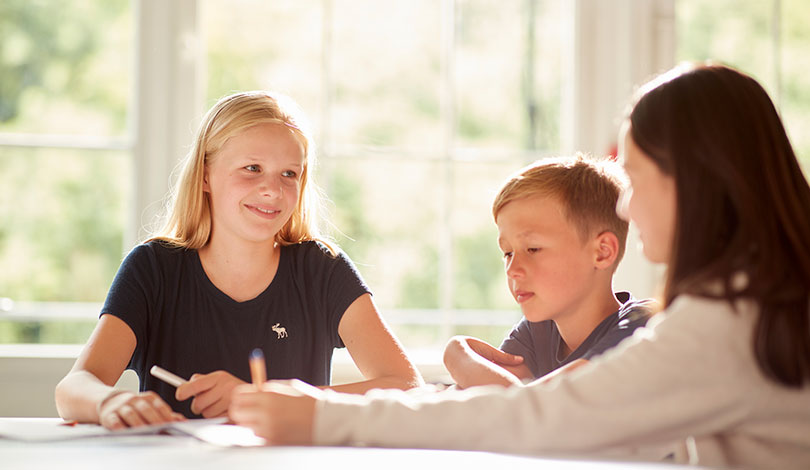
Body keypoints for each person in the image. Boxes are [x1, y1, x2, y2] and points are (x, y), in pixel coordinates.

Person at [228, 64, 810, 469]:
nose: (628, 204)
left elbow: (542, 416)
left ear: (694, 179)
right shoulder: (757, 303)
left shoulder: (730, 321)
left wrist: (324, 418)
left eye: (634, 179)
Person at [54, 91, 423, 429]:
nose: (272, 189)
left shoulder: (322, 270)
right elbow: (74, 387)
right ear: (205, 175)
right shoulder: (152, 269)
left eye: (289, 174)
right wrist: (108, 402)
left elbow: (407, 387)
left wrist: (272, 401)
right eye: (252, 169)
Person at [443, 156, 653, 389]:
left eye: (533, 249)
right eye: (508, 253)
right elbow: (490, 399)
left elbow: (523, 406)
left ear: (602, 252)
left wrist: (456, 354)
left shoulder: (641, 326)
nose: (512, 270)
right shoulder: (538, 330)